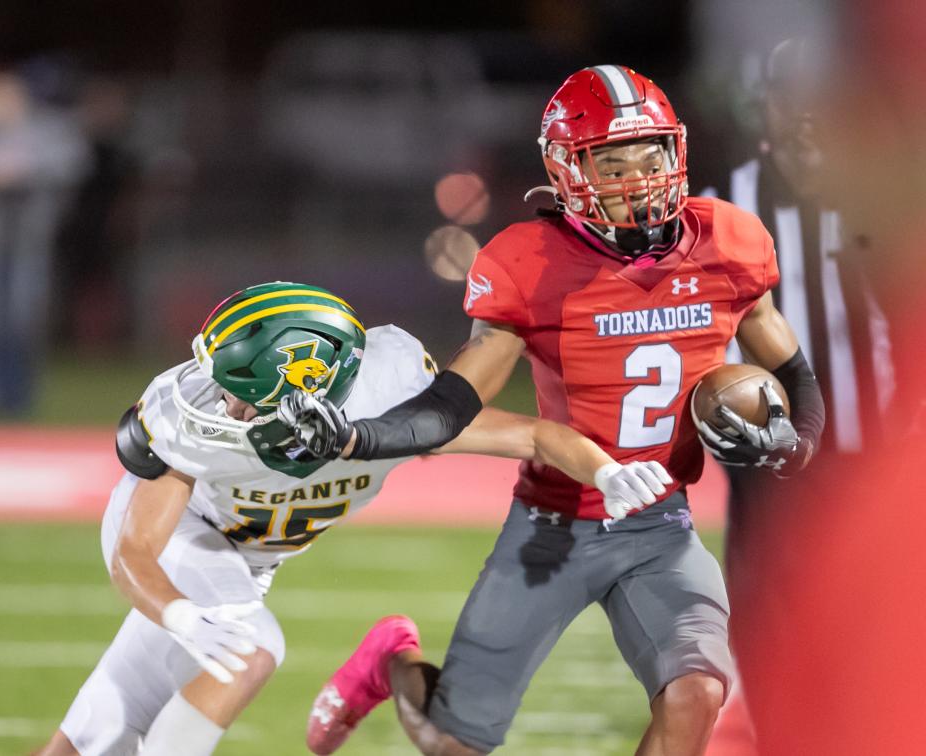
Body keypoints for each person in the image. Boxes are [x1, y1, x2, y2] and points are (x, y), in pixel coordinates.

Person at [286, 65, 825, 756]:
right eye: (613, 160)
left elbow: (791, 369)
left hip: (662, 526)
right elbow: (454, 402)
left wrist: (796, 441)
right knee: (452, 742)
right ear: (569, 170)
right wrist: (360, 436)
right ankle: (391, 659)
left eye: (651, 154)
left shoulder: (728, 241)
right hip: (554, 527)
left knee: (698, 693)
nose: (638, 177)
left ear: (677, 153)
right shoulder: (531, 263)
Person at [34, 280, 675, 756]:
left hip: (249, 561)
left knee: (96, 737)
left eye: (240, 393)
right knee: (251, 647)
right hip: (187, 533)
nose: (221, 405)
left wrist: (607, 472)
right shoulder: (190, 418)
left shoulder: (390, 402)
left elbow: (533, 436)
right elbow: (136, 551)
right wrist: (176, 611)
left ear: (307, 387)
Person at [703, 38, 895, 754]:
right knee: (772, 636)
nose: (809, 120)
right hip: (770, 468)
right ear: (768, 113)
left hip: (879, 458)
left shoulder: (891, 197)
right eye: (794, 103)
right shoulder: (721, 215)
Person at [0, 69, 89, 416]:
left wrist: (25, 169)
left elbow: (73, 160)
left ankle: (22, 395)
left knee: (23, 315)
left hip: (29, 239)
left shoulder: (45, 129)